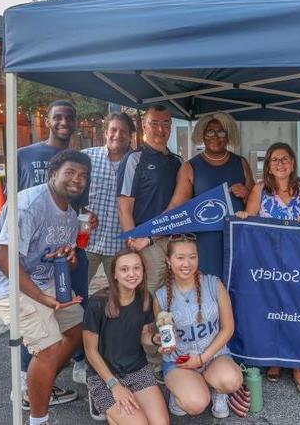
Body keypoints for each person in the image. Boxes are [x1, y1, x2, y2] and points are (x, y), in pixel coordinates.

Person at [0, 150, 91, 425]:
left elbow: (61, 257)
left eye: (83, 176)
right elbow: (2, 259)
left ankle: (37, 384)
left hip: (41, 280)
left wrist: (69, 259)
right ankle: (39, 419)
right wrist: (42, 299)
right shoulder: (30, 204)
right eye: (70, 172)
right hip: (3, 283)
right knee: (49, 348)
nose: (77, 180)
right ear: (53, 174)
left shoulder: (70, 213)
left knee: (78, 331)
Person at [16, 100, 96, 399]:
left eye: (70, 117)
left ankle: (75, 363)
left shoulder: (80, 159)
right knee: (38, 318)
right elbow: (12, 203)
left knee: (75, 308)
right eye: (58, 117)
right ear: (47, 121)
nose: (64, 122)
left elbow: (79, 203)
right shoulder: (24, 155)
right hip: (31, 254)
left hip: (66, 247)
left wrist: (88, 220)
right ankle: (27, 382)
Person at [236, 142, 300, 392]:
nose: (280, 164)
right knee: (273, 311)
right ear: (268, 165)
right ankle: (275, 360)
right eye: (274, 160)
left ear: (293, 162)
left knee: (296, 311)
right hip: (268, 263)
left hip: (298, 262)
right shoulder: (259, 190)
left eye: (285, 159)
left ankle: (297, 365)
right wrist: (245, 217)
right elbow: (250, 226)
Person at [156, 234, 243, 418]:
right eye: (180, 258)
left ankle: (217, 390)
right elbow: (165, 336)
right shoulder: (161, 296)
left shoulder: (213, 284)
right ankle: (184, 389)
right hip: (181, 362)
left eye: (192, 257)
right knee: (195, 405)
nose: (187, 263)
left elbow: (228, 328)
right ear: (168, 261)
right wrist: (161, 342)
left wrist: (202, 358)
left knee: (232, 381)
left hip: (214, 356)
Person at [83, 250, 168, 424]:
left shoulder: (145, 298)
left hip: (137, 369)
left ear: (143, 271)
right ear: (114, 274)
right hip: (104, 375)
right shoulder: (97, 303)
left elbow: (144, 336)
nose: (131, 274)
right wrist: (114, 385)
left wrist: (154, 339)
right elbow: (90, 351)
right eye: (124, 269)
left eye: (137, 268)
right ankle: (103, 403)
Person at [167, 112, 254, 277]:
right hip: (205, 243)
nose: (216, 136)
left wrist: (246, 193)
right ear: (202, 135)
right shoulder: (190, 167)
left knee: (236, 289)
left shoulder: (241, 163)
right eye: (210, 132)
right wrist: (148, 234)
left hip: (237, 241)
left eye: (221, 132)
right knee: (208, 290)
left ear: (229, 136)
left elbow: (256, 205)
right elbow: (176, 208)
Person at [117, 104, 183, 294]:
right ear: (144, 126)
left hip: (173, 239)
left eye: (165, 124)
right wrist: (133, 246)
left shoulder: (177, 162)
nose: (161, 129)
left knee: (171, 293)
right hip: (145, 242)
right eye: (154, 124)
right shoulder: (134, 159)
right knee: (149, 293)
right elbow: (124, 208)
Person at [83, 112, 135, 295]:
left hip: (119, 245)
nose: (117, 135)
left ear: (130, 136)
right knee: (76, 292)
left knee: (120, 295)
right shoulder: (87, 158)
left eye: (123, 132)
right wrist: (82, 211)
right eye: (113, 130)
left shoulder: (137, 163)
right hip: (86, 241)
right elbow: (70, 192)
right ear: (105, 133)